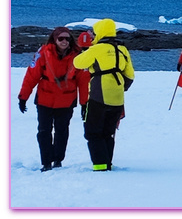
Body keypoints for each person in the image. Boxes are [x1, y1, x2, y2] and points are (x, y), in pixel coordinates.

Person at [17, 26, 89, 172]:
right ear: (54, 39)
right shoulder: (43, 53)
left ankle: (57, 160)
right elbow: (32, 75)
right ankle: (46, 162)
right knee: (44, 131)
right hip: (45, 99)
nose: (64, 41)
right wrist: (23, 97)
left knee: (62, 131)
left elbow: (83, 81)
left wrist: (84, 103)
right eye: (60, 38)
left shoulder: (78, 56)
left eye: (67, 39)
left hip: (66, 100)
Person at [73, 18, 135, 172]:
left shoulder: (97, 49)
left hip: (98, 95)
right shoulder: (123, 49)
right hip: (118, 96)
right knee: (108, 132)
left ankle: (100, 166)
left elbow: (77, 63)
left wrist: (87, 49)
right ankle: (108, 163)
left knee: (93, 131)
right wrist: (120, 87)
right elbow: (130, 75)